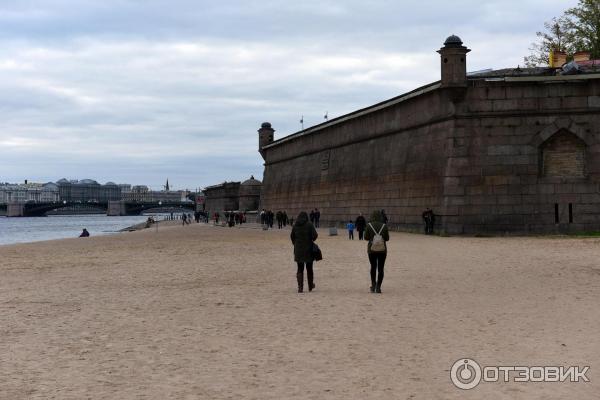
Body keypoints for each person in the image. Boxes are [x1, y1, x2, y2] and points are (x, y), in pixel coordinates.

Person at [290, 211, 318, 293]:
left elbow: (292, 236)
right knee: (309, 268)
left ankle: (300, 288)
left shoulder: (295, 225)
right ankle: (310, 286)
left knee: (300, 268)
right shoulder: (309, 224)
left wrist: (295, 243)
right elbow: (315, 235)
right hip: (309, 249)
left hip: (298, 250)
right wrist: (311, 239)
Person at [364, 210, 390, 293]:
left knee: (373, 267)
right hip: (382, 250)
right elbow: (387, 239)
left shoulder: (369, 225)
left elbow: (366, 237)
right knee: (381, 268)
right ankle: (378, 287)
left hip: (371, 249)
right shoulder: (384, 226)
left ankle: (373, 284)